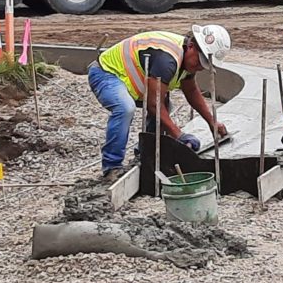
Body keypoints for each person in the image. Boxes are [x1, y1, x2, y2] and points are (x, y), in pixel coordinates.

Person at [87, 26, 231, 182]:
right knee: (125, 108)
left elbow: (191, 91)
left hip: (129, 80)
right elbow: (153, 105)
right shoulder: (167, 59)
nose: (200, 67)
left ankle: (145, 154)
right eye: (199, 61)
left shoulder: (187, 57)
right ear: (191, 46)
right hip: (106, 73)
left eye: (205, 64)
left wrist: (212, 122)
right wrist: (179, 136)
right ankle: (112, 167)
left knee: (165, 109)